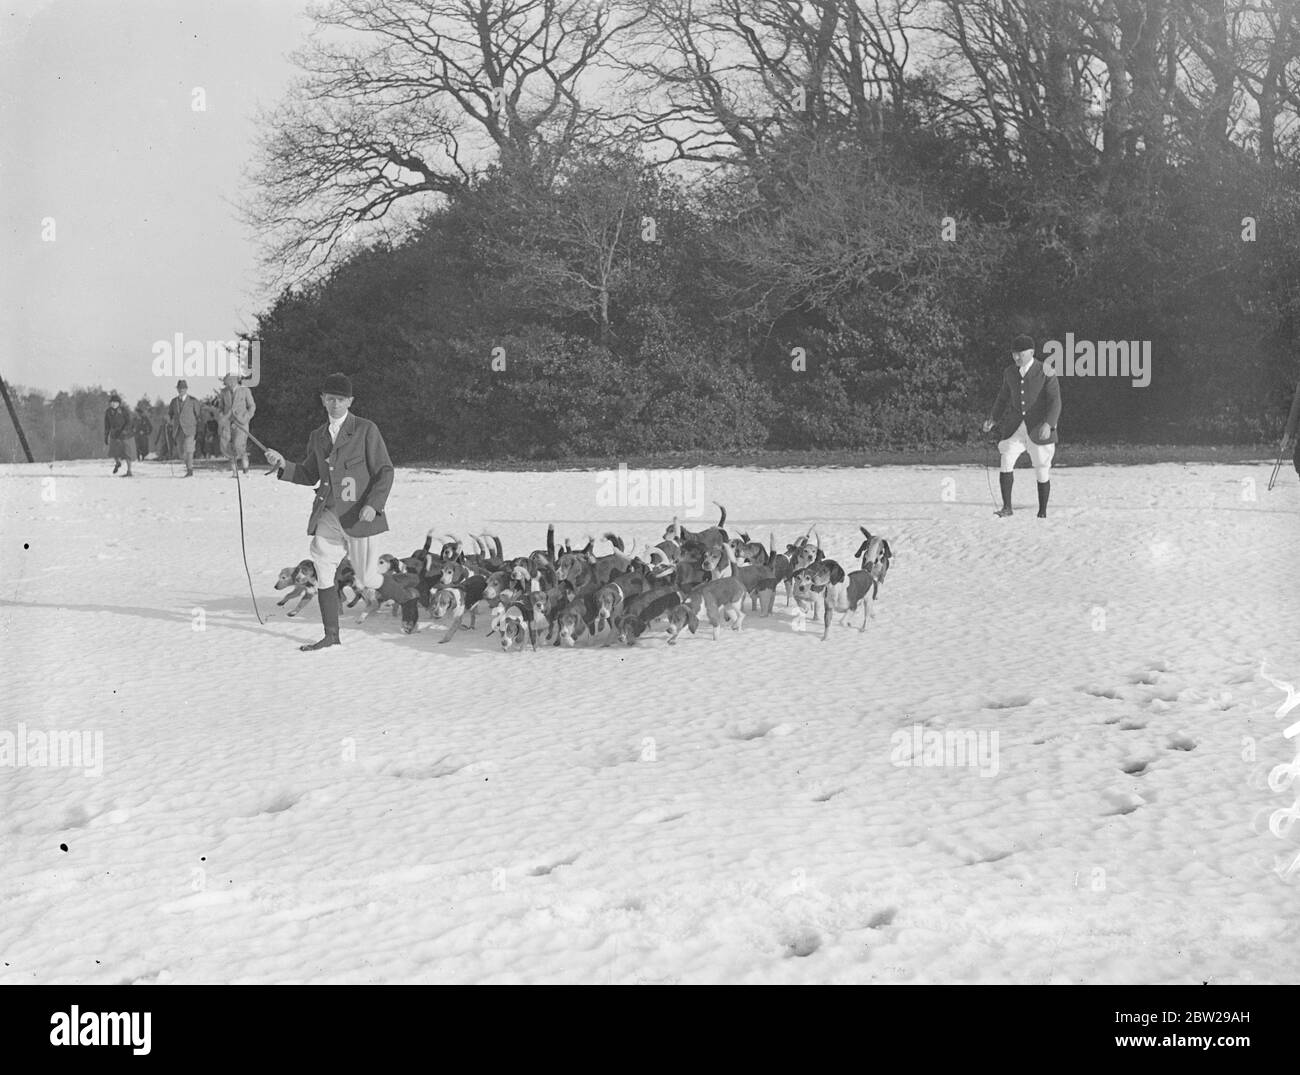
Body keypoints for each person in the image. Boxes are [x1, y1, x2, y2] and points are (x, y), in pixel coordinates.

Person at [263, 373, 395, 651]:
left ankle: (406, 598)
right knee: (324, 570)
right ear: (323, 400)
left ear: (350, 401)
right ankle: (331, 634)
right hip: (329, 514)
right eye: (330, 399)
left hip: (360, 516)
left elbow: (384, 471)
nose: (335, 404)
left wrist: (373, 505)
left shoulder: (366, 430)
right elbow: (309, 473)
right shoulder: (318, 436)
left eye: (341, 399)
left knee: (368, 577)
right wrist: (282, 464)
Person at [982, 334, 1062, 518]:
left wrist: (1049, 424)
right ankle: (1007, 507)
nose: (1017, 358)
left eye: (1021, 354)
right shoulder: (1009, 372)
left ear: (1032, 352)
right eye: (1014, 354)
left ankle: (1042, 512)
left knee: (1042, 467)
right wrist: (993, 419)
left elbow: (1055, 401)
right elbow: (1002, 398)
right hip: (1015, 427)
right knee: (1006, 459)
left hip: (1038, 427)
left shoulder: (1046, 370)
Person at [217, 371, 257, 476]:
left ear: (235, 381)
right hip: (227, 423)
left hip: (241, 423)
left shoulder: (245, 391)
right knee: (227, 445)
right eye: (227, 382)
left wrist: (246, 417)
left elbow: (252, 406)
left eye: (230, 381)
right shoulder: (224, 392)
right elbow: (220, 407)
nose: (228, 384)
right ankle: (234, 471)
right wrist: (222, 416)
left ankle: (245, 467)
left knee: (239, 445)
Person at [166, 379, 202, 477]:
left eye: (183, 388)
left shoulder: (193, 401)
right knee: (182, 453)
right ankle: (188, 468)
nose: (181, 390)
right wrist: (168, 420)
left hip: (190, 429)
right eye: (179, 388)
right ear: (177, 389)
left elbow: (198, 416)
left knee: (189, 449)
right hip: (178, 430)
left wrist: (198, 429)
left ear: (186, 389)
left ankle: (190, 470)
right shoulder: (174, 401)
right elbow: (170, 414)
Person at [103, 392, 136, 477]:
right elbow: (107, 425)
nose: (113, 404)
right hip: (114, 434)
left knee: (127, 453)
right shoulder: (108, 412)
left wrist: (124, 430)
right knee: (113, 451)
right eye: (111, 402)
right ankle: (118, 463)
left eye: (115, 402)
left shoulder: (124, 410)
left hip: (125, 434)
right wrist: (106, 436)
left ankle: (129, 471)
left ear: (119, 403)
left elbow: (129, 421)